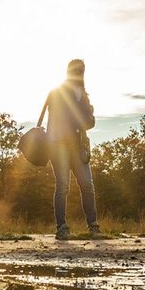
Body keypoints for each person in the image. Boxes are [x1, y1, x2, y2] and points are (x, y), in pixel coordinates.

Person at [43, 59, 101, 240]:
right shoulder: (58, 92)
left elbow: (90, 121)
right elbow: (64, 118)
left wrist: (83, 117)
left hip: (77, 145)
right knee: (63, 186)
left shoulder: (83, 94)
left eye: (82, 70)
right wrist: (82, 117)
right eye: (77, 69)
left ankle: (93, 226)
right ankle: (61, 228)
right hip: (58, 144)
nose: (80, 72)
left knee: (87, 185)